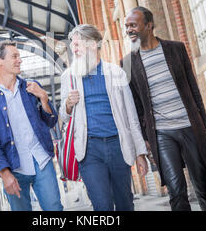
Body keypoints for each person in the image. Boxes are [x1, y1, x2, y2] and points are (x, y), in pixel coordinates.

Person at [122, 7, 206, 211]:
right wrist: (144, 139)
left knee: (203, 186)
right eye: (127, 26)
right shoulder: (128, 62)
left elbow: (193, 89)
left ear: (149, 25)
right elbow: (137, 105)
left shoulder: (176, 49)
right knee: (176, 190)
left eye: (133, 25)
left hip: (190, 126)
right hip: (162, 133)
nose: (129, 29)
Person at [59, 24, 148, 211]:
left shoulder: (116, 72)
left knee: (125, 203)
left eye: (77, 45)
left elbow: (131, 115)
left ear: (92, 45)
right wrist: (68, 105)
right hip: (89, 150)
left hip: (118, 146)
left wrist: (140, 153)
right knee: (102, 205)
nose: (73, 50)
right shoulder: (69, 76)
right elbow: (63, 117)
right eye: (72, 45)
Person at [0, 40, 63, 211]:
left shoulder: (30, 87)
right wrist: (4, 172)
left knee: (55, 209)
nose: (20, 60)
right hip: (13, 167)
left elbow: (51, 121)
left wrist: (44, 98)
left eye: (19, 56)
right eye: (14, 56)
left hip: (41, 161)